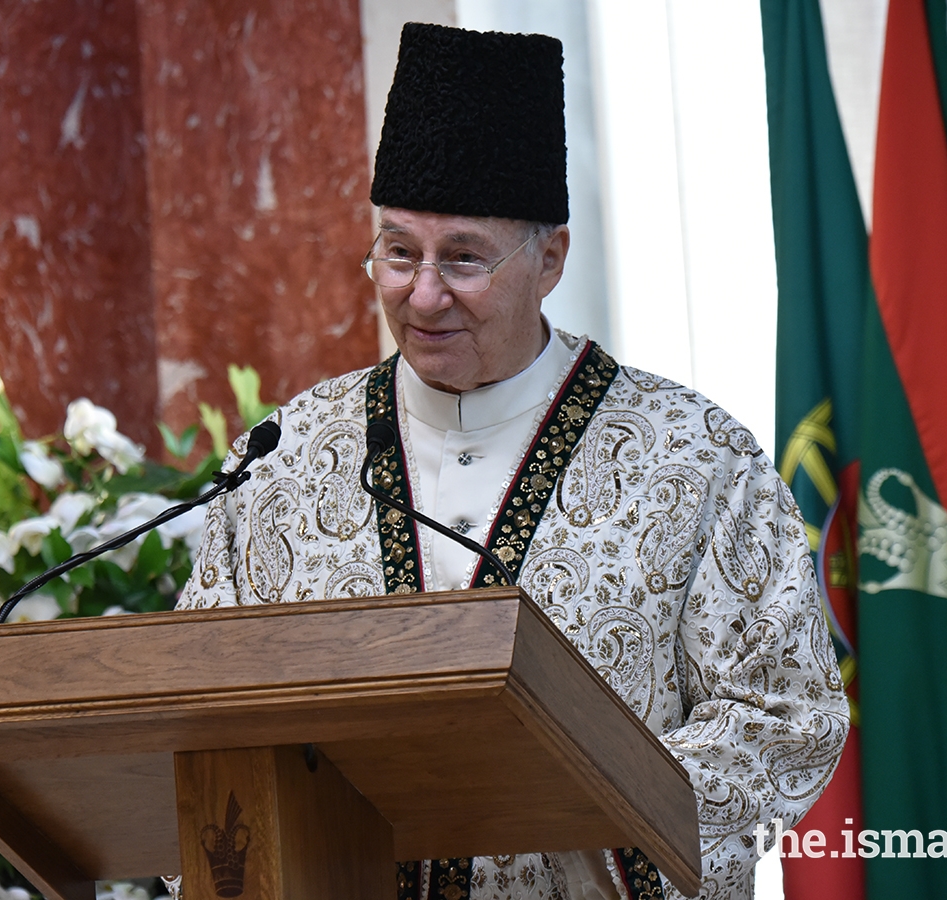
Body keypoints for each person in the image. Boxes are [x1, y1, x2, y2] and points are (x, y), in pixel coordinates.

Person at [176, 22, 848, 900]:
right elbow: (200, 707)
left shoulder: (696, 457)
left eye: (462, 259)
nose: (422, 295)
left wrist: (601, 828)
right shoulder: (285, 458)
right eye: (398, 251)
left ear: (550, 259)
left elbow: (785, 713)